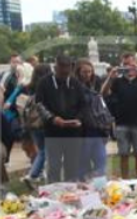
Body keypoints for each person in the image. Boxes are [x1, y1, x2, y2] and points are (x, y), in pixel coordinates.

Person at [103, 51, 137, 180]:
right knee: (124, 155)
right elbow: (103, 93)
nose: (128, 67)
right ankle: (125, 181)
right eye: (125, 64)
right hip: (122, 123)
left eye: (131, 64)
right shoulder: (117, 81)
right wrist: (110, 77)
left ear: (136, 64)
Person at [34, 54, 87, 183]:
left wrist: (78, 119)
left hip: (73, 132)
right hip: (53, 132)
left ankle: (72, 192)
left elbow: (84, 105)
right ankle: (54, 194)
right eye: (61, 69)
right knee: (54, 166)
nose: (64, 73)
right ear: (55, 67)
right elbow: (39, 105)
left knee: (72, 166)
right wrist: (52, 119)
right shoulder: (44, 83)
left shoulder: (76, 83)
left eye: (67, 70)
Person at [77, 58, 111, 178]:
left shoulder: (95, 86)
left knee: (101, 165)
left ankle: (99, 189)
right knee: (83, 167)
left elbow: (103, 109)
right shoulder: (74, 88)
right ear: (78, 72)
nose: (87, 74)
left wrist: (106, 130)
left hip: (97, 131)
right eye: (84, 72)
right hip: (83, 132)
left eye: (90, 71)